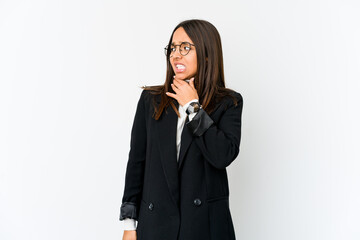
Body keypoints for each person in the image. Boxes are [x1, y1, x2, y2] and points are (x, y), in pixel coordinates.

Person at [119, 19, 243, 240]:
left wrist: (193, 107)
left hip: (205, 226)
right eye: (172, 48)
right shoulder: (152, 100)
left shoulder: (228, 102)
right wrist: (130, 224)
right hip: (156, 225)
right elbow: (137, 162)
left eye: (185, 47)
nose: (176, 55)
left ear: (206, 53)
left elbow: (222, 155)